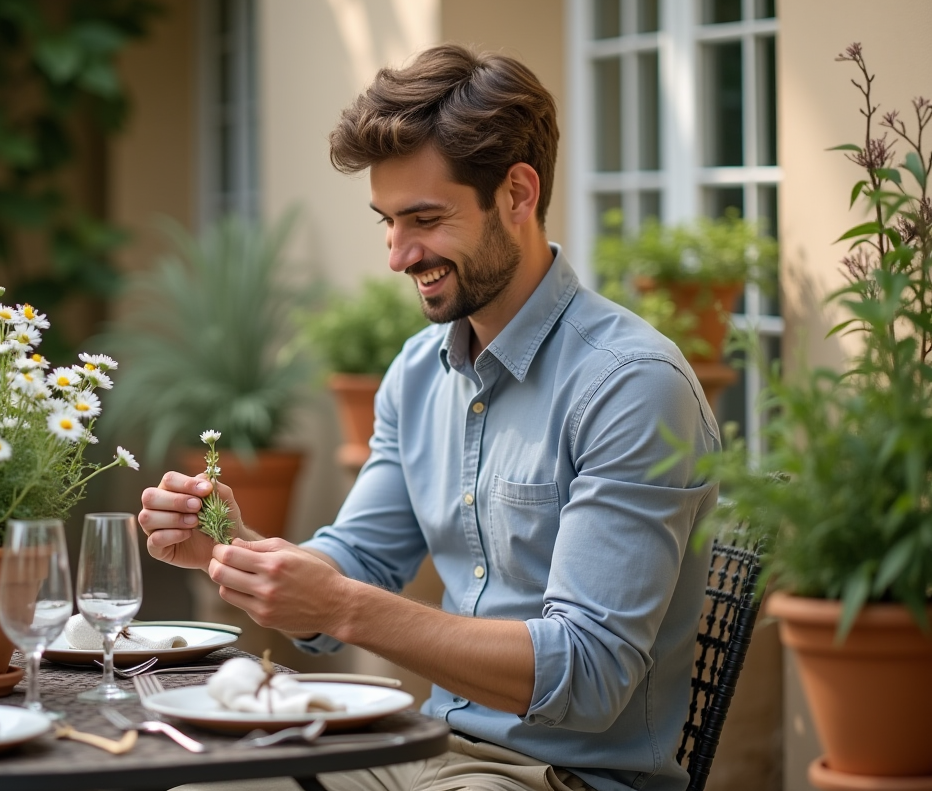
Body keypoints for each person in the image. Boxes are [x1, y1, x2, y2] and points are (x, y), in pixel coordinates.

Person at [139, 44, 720, 791]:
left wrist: (348, 609)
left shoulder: (630, 386)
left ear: (518, 194)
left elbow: (589, 675)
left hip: (558, 775)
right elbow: (360, 558)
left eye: (424, 218)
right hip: (423, 753)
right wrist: (239, 549)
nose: (397, 254)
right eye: (387, 220)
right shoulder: (418, 373)